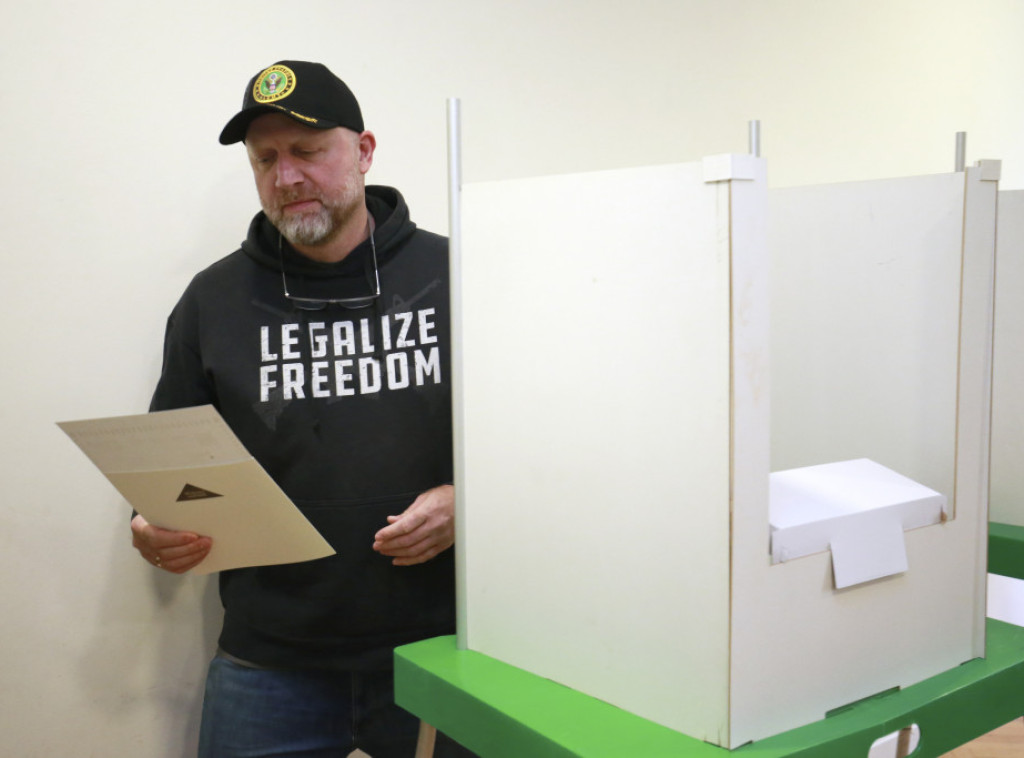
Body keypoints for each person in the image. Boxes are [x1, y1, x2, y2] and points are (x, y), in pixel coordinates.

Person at [130, 60, 473, 758]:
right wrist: (150, 523)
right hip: (269, 661)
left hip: (444, 649)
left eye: (308, 151)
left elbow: (542, 450)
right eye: (266, 159)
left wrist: (469, 500)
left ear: (364, 152)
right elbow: (168, 465)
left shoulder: (459, 274)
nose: (285, 177)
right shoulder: (212, 301)